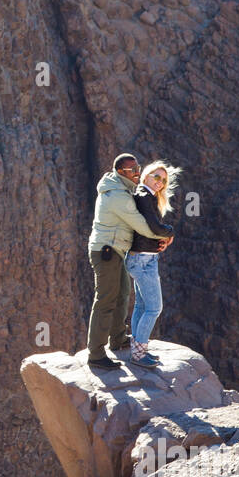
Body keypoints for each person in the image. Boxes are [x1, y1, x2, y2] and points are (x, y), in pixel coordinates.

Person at [86, 153, 173, 370]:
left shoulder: (124, 188)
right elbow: (142, 226)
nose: (136, 173)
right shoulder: (118, 195)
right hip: (107, 251)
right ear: (119, 172)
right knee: (105, 301)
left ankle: (118, 339)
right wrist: (167, 235)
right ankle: (96, 355)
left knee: (123, 295)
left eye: (138, 169)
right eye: (131, 171)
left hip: (118, 250)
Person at [124, 161, 179, 368]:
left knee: (142, 305)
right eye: (156, 177)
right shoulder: (145, 197)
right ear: (146, 175)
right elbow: (153, 226)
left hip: (143, 258)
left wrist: (160, 240)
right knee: (154, 308)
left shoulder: (146, 196)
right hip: (142, 260)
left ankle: (137, 350)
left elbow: (150, 229)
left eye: (163, 180)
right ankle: (139, 354)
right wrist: (170, 232)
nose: (160, 182)